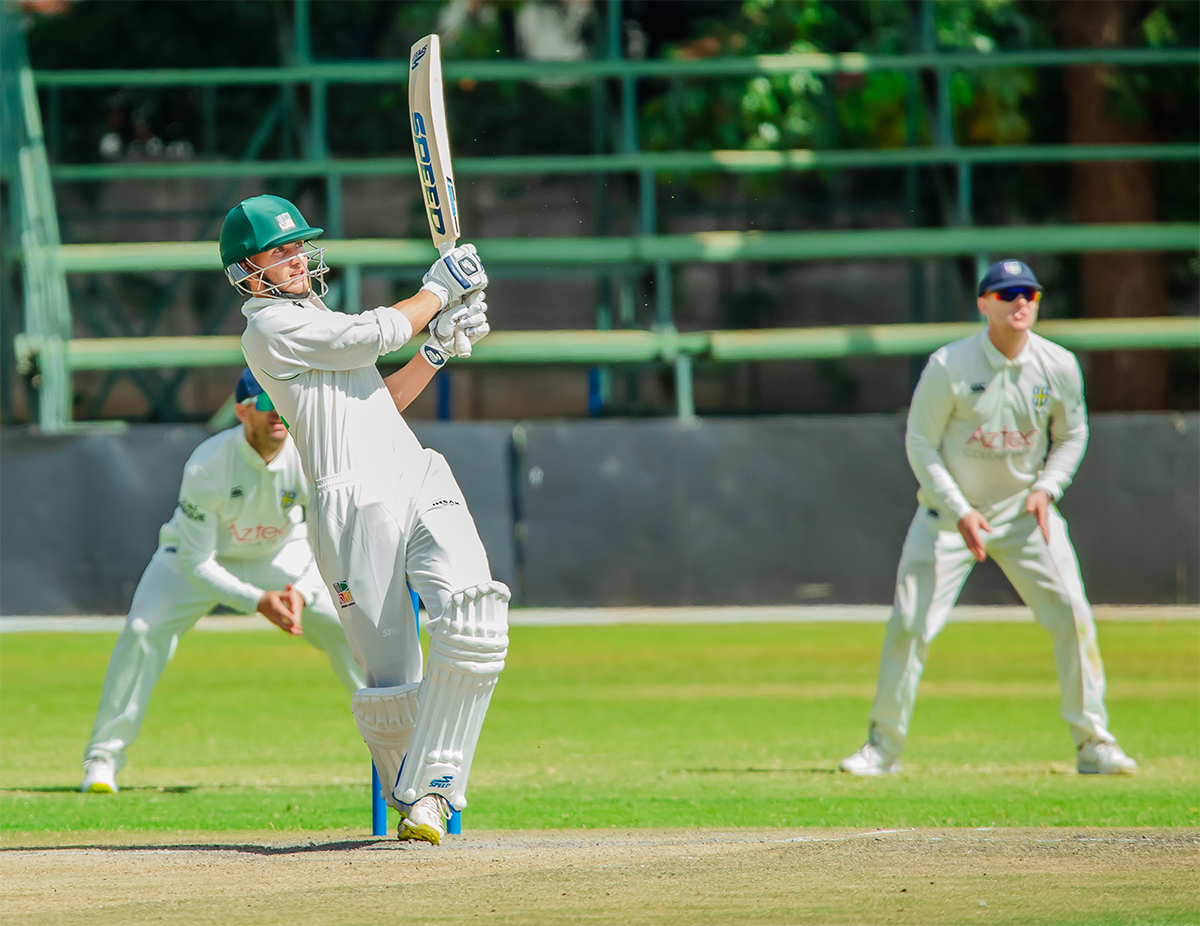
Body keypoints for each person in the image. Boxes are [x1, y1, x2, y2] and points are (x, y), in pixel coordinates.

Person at [219, 194, 504, 845]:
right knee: (392, 683)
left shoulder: (313, 312)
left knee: (477, 620)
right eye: (281, 249)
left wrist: (437, 349)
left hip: (415, 472)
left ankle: (434, 790)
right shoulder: (266, 327)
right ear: (248, 268)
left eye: (299, 245)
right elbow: (372, 333)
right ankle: (414, 797)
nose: (296, 256)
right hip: (350, 505)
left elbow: (380, 404)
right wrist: (437, 291)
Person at [840, 259, 1138, 778]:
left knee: (1073, 615)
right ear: (983, 304)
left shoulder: (1058, 365)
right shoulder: (949, 366)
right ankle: (882, 748)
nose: (1021, 302)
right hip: (946, 517)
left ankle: (1094, 743)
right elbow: (920, 443)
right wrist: (960, 511)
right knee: (910, 625)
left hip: (1026, 515)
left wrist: (1048, 487)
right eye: (1007, 295)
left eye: (1029, 294)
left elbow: (1072, 435)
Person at [81, 369, 365, 794]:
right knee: (142, 631)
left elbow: (328, 537)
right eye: (267, 404)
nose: (278, 415)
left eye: (285, 405)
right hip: (194, 561)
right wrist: (257, 601)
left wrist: (303, 592)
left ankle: (398, 745)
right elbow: (197, 563)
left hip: (281, 557)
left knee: (351, 626)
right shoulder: (207, 465)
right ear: (241, 412)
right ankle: (103, 758)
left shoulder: (310, 453)